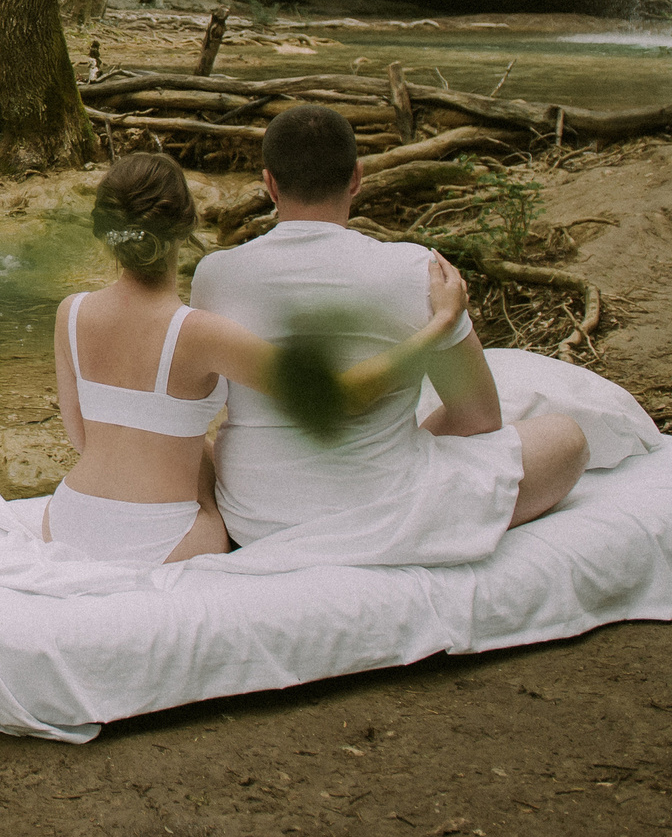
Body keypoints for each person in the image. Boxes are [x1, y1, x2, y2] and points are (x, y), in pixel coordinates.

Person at [190, 103, 588, 562]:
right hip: (390, 514)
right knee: (566, 439)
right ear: (357, 177)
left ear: (270, 184)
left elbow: (201, 407)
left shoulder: (214, 274)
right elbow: (478, 417)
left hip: (255, 518)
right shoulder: (419, 270)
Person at [43, 151, 471, 566]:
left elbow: (83, 437)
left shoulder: (71, 313)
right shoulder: (201, 333)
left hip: (69, 518)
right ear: (188, 223)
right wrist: (441, 324)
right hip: (164, 537)